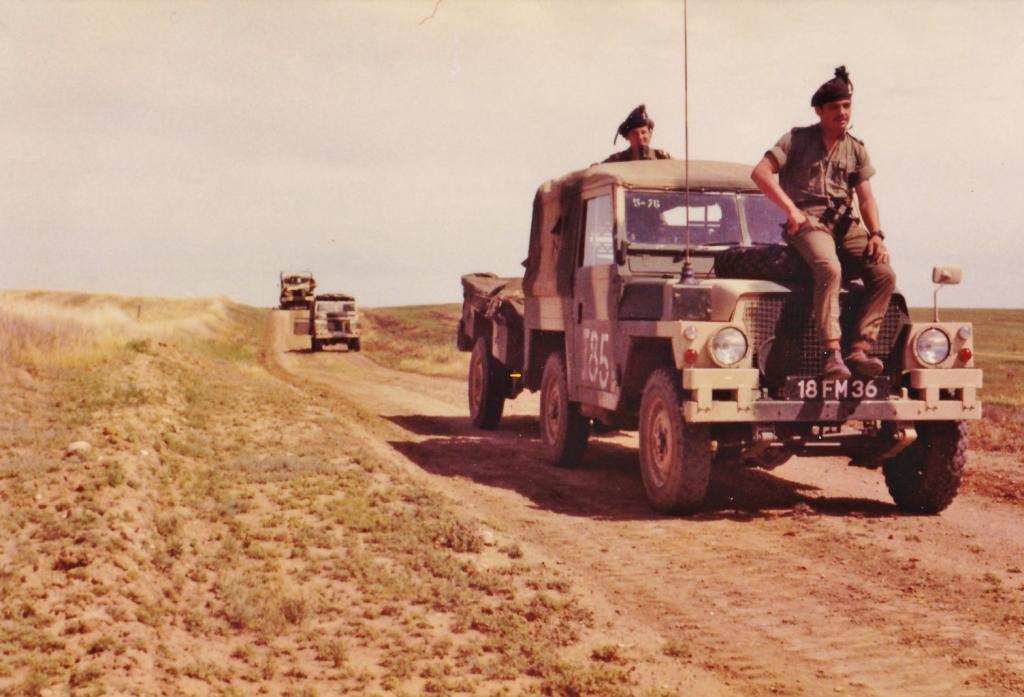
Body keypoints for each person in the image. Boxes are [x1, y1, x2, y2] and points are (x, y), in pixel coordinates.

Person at [750, 66, 896, 381]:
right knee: (830, 269)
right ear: (819, 111)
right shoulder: (797, 140)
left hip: (845, 225)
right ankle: (832, 355)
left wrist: (876, 235)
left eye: (846, 106)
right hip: (808, 223)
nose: (842, 113)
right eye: (834, 107)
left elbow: (866, 198)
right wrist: (791, 210)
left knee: (884, 274)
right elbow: (760, 173)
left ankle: (860, 349)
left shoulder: (856, 149)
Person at [603, 104, 672, 163]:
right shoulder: (617, 161)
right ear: (627, 137)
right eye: (634, 134)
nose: (640, 137)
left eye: (643, 132)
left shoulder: (662, 159)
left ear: (650, 134)